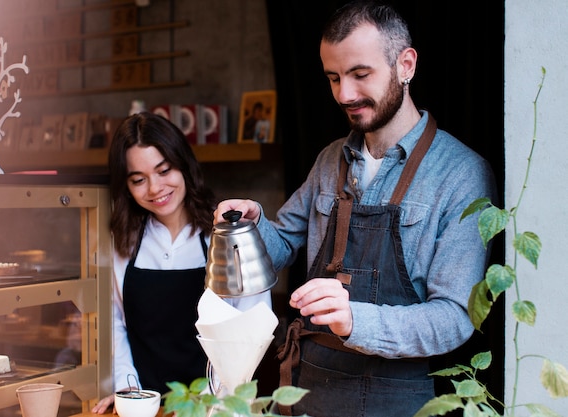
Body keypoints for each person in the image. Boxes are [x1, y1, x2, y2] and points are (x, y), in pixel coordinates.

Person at [213, 2, 497, 416]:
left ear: (406, 65)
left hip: (400, 399)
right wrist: (251, 224)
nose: (344, 94)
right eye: (333, 78)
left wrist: (356, 321)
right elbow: (279, 249)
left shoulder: (462, 173)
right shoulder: (330, 160)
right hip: (307, 389)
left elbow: (455, 318)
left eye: (360, 74)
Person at [92, 112, 270, 414]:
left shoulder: (226, 233)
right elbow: (114, 325)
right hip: (146, 407)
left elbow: (252, 327)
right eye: (138, 179)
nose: (154, 188)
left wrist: (221, 403)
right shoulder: (120, 241)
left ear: (183, 165)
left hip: (214, 406)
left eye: (164, 171)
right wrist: (128, 390)